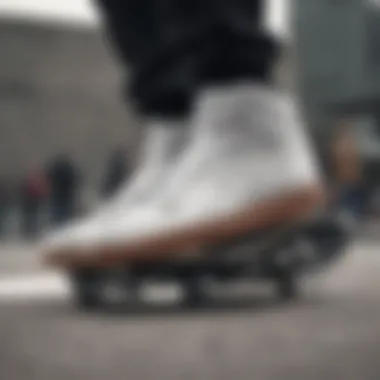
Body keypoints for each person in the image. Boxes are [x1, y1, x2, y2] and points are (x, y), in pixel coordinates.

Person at [44, 0, 323, 259]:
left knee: (213, 34)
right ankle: (178, 125)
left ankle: (245, 124)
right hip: (177, 120)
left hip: (230, 80)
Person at [46, 155, 80, 228]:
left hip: (57, 195)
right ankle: (64, 227)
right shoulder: (68, 170)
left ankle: (57, 226)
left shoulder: (55, 170)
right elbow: (74, 180)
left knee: (57, 213)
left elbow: (49, 178)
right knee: (65, 214)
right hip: (66, 195)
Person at [20, 170, 49, 239]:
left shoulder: (30, 183)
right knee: (31, 218)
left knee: (32, 218)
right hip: (32, 202)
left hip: (32, 202)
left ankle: (30, 231)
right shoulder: (33, 183)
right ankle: (30, 231)